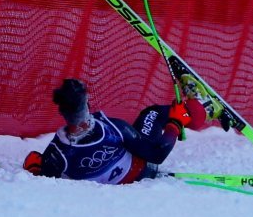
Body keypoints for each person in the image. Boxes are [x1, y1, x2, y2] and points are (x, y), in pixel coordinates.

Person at [23, 77, 225, 184]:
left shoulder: (57, 153)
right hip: (144, 168)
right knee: (153, 113)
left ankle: (195, 111)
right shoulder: (113, 129)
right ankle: (202, 108)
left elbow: (38, 170)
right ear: (86, 104)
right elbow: (157, 154)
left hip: (124, 178)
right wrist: (175, 125)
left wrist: (35, 164)